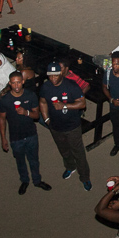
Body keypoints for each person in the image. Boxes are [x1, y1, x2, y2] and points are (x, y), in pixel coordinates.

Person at [39, 62, 91, 191]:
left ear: (61, 73)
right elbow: (43, 102)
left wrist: (64, 105)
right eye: (50, 75)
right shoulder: (46, 87)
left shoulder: (71, 86)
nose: (53, 78)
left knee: (78, 153)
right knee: (64, 150)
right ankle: (70, 167)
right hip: (55, 127)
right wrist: (46, 119)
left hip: (72, 127)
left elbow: (82, 103)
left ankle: (85, 177)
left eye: (56, 75)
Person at [0, 71, 52, 195]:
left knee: (34, 160)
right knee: (20, 161)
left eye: (18, 82)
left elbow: (36, 115)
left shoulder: (30, 95)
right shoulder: (5, 100)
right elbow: (2, 120)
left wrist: (26, 112)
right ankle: (24, 181)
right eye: (13, 83)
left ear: (23, 82)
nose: (16, 85)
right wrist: (3, 139)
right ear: (10, 83)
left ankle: (37, 181)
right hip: (16, 137)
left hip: (31, 134)